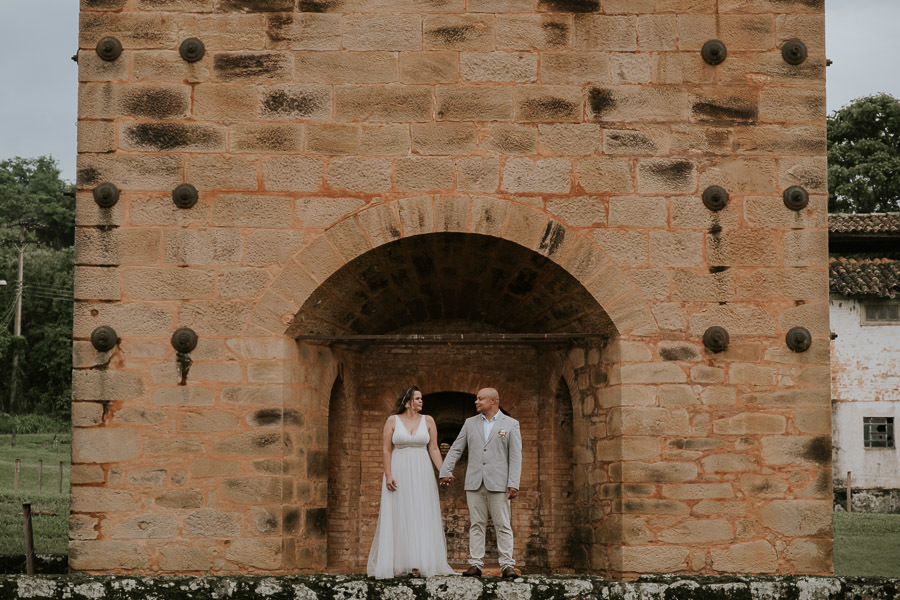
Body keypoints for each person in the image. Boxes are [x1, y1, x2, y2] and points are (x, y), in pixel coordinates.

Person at [367, 386, 455, 579]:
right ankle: (399, 563)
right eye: (417, 398)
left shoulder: (428, 420)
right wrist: (388, 474)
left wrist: (444, 471)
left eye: (421, 398)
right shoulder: (392, 421)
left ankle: (418, 564)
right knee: (399, 513)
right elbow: (386, 450)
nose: (421, 401)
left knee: (420, 513)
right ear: (407, 402)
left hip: (422, 470)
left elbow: (433, 449)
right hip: (399, 470)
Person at [439, 388, 522, 578]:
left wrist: (513, 482)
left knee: (503, 524)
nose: (476, 402)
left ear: (493, 401)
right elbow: (457, 448)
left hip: (500, 482)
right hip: (475, 481)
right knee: (476, 524)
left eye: (480, 399)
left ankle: (507, 565)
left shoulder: (510, 424)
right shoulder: (470, 423)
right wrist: (445, 470)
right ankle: (475, 564)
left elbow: (516, 456)